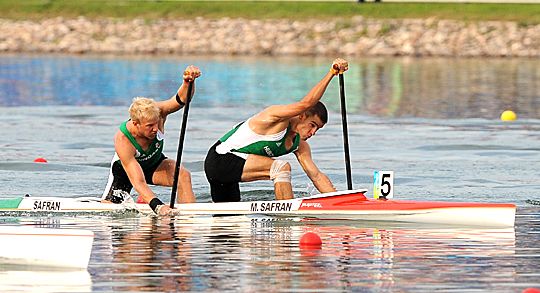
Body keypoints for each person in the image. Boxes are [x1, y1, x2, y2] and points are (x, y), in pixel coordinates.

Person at [204, 58, 348, 202]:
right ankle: (285, 219)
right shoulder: (274, 117)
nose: (313, 132)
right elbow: (307, 103)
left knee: (229, 218)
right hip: (219, 160)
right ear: (302, 116)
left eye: (318, 129)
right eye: (312, 125)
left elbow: (316, 176)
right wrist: (332, 73)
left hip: (233, 169)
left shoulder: (300, 145)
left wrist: (343, 202)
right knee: (281, 168)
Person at [102, 65, 201, 215]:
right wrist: (158, 206)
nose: (156, 129)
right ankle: (142, 202)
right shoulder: (123, 140)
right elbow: (138, 182)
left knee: (182, 175)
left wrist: (188, 82)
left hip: (153, 164)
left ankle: (191, 220)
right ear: (136, 123)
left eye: (156, 123)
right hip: (126, 172)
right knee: (111, 213)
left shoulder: (158, 111)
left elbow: (180, 100)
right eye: (149, 126)